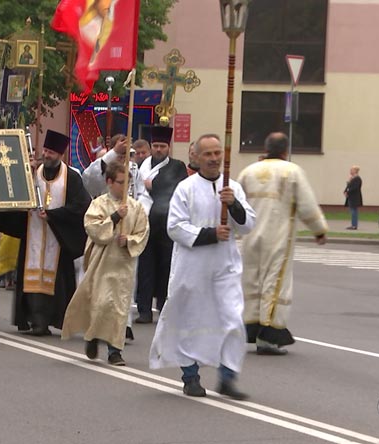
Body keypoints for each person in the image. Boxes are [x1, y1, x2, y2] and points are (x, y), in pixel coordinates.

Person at [149, 134, 256, 400]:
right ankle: (190, 376)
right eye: (207, 154)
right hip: (193, 266)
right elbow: (174, 226)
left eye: (217, 153)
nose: (213, 158)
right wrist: (209, 234)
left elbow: (248, 224)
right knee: (191, 321)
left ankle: (228, 376)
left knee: (232, 318)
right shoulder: (186, 188)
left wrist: (234, 205)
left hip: (225, 265)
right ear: (196, 156)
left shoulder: (233, 188)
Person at [238, 132, 328, 356]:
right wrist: (319, 230)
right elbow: (306, 204)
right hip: (277, 236)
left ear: (266, 148)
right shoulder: (292, 171)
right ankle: (268, 337)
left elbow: (236, 204)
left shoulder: (248, 171)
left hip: (250, 237)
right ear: (285, 150)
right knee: (274, 283)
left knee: (252, 282)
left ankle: (251, 326)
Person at [0, 130, 91, 336]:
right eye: (45, 151)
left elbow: (81, 206)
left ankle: (47, 320)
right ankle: (34, 321)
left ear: (61, 155)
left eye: (51, 152)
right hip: (33, 235)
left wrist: (53, 216)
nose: (47, 155)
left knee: (54, 282)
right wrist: (26, 176)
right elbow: (16, 194)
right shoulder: (33, 173)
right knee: (31, 278)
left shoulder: (71, 178)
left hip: (57, 238)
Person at [62, 162, 149, 366]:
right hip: (102, 261)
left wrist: (129, 240)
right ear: (109, 182)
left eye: (128, 183)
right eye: (120, 182)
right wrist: (115, 218)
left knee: (119, 307)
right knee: (101, 303)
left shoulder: (136, 208)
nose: (125, 187)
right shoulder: (99, 204)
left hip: (124, 264)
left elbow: (143, 232)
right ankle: (92, 336)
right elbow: (92, 227)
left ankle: (114, 351)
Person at [135, 126, 188, 323]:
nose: (158, 149)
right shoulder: (142, 165)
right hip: (145, 223)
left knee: (166, 267)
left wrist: (153, 185)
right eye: (155, 146)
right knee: (145, 269)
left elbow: (177, 187)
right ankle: (144, 310)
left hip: (166, 226)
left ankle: (163, 307)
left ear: (168, 147)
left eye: (162, 146)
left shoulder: (177, 166)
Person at [344, 165, 362, 230]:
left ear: (355, 171)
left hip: (355, 198)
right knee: (352, 211)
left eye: (351, 170)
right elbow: (349, 186)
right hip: (351, 197)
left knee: (354, 212)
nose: (350, 171)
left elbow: (354, 188)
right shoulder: (352, 178)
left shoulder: (357, 179)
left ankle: (354, 225)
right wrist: (345, 191)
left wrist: (347, 192)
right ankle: (353, 224)